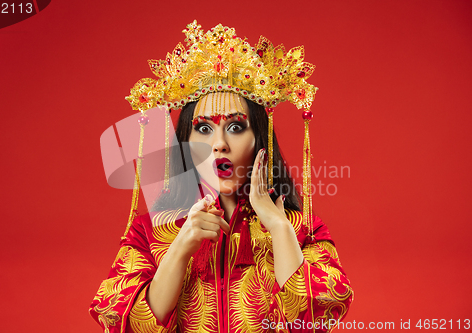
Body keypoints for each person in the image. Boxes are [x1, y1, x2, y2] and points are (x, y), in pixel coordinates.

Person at [90, 21, 353, 333]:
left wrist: (280, 227)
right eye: (203, 129)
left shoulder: (302, 228)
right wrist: (179, 248)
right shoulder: (149, 232)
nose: (219, 144)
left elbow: (316, 317)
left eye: (236, 127)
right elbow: (126, 324)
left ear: (261, 138)